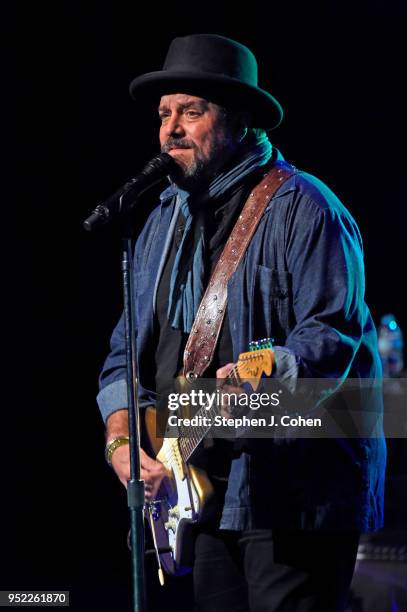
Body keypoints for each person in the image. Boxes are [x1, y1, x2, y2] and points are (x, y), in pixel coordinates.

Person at [97, 34, 386, 612]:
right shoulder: (160, 222)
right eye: (164, 115)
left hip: (291, 492)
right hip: (201, 488)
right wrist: (122, 441)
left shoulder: (307, 207)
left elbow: (333, 334)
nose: (171, 129)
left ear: (241, 121)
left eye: (191, 112)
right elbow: (124, 353)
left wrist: (270, 371)